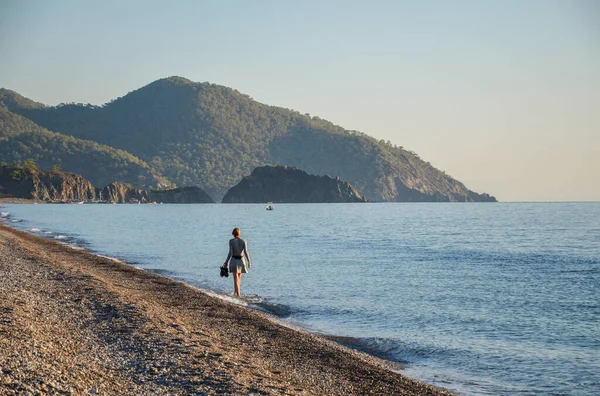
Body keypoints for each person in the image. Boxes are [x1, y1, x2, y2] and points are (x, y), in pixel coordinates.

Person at [223, 227, 251, 297]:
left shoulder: (231, 241)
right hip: (241, 260)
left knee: (235, 278)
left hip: (234, 260)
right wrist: (249, 261)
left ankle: (237, 294)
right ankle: (236, 292)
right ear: (239, 233)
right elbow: (246, 252)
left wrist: (226, 262)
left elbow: (230, 252)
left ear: (233, 233)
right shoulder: (244, 240)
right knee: (238, 278)